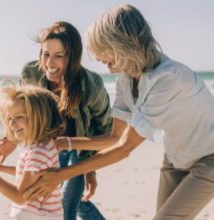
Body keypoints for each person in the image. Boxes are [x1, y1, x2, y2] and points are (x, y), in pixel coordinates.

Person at [23, 4, 214, 220]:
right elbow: (114, 138)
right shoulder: (126, 77)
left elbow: (124, 148)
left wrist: (62, 174)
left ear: (122, 45)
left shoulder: (168, 78)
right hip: (175, 159)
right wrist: (65, 143)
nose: (98, 58)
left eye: (103, 50)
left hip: (209, 159)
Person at [0, 21, 111, 220]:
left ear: (72, 58)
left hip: (78, 148)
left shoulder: (91, 85)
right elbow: (23, 113)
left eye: (59, 56)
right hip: (47, 145)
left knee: (66, 204)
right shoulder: (31, 72)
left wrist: (90, 168)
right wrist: (9, 141)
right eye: (45, 54)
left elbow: (107, 131)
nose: (49, 63)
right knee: (67, 199)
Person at [0, 81, 65, 220]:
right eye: (9, 118)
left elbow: (20, 197)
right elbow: (30, 176)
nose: (12, 123)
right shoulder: (42, 147)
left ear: (40, 118)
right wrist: (1, 168)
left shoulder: (38, 152)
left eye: (19, 117)